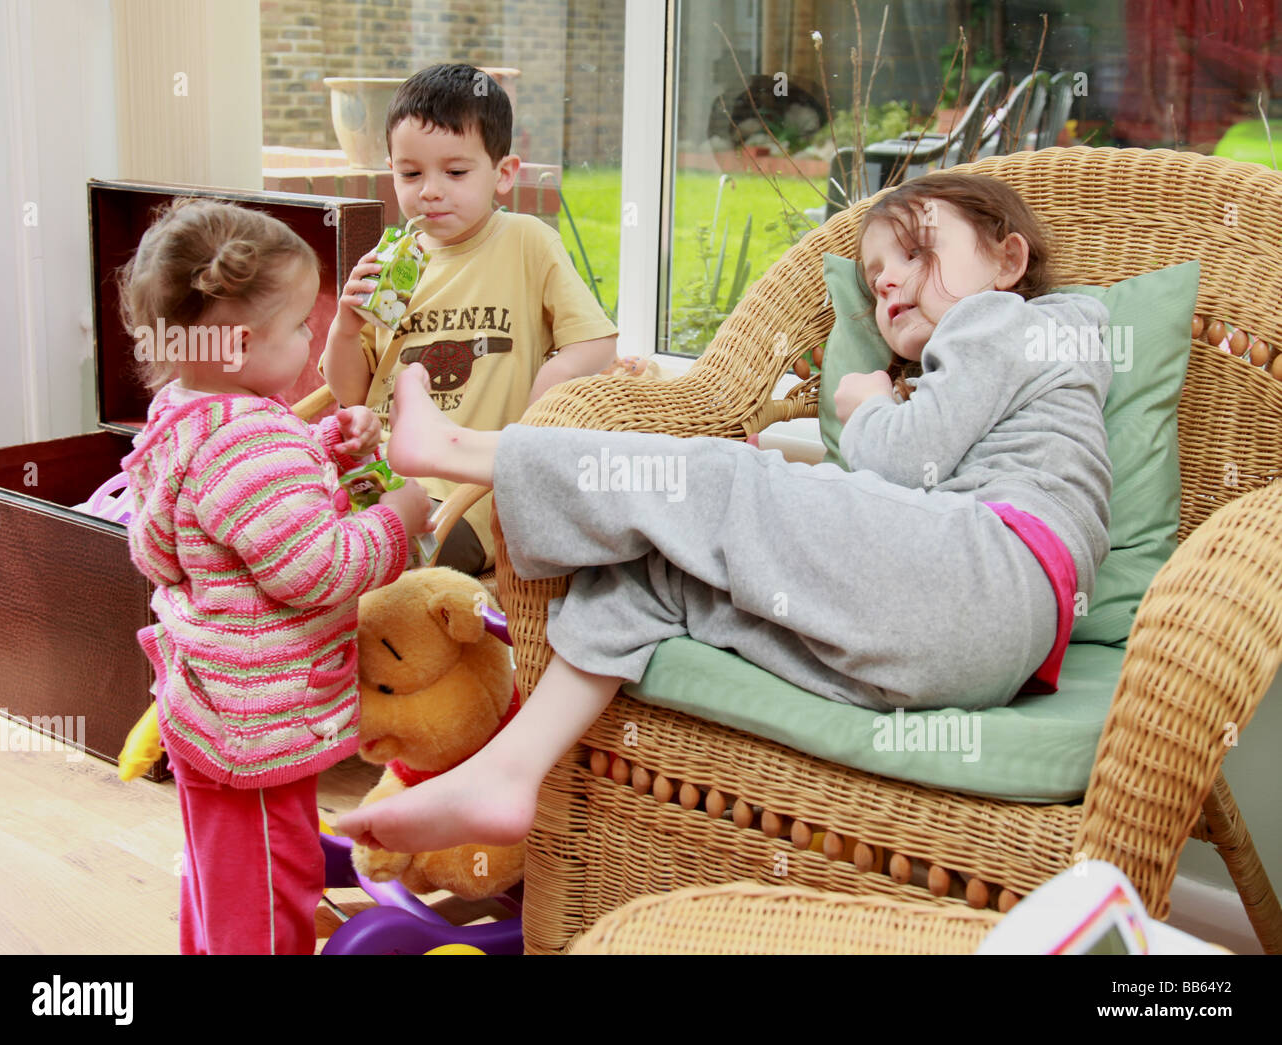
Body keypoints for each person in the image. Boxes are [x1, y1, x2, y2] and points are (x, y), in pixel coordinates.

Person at [335, 172, 1113, 857]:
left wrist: (872, 406)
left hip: (989, 574)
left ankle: (463, 449)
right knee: (656, 572)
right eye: (875, 276)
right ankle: (511, 771)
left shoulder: (1012, 322)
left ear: (1008, 262)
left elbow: (903, 461)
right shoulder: (987, 369)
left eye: (917, 252)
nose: (888, 283)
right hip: (958, 644)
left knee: (730, 478)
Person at [118, 198, 435, 954]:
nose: (307, 343)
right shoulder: (250, 442)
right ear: (237, 344)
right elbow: (316, 566)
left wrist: (323, 446)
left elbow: (214, 521)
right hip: (255, 726)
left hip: (208, 704)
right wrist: (399, 515)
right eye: (298, 328)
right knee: (268, 887)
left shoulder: (187, 412)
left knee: (220, 879)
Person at [321, 63, 619, 573]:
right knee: (295, 549)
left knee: (383, 568)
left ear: (503, 174)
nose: (430, 190)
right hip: (371, 476)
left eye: (455, 173)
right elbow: (350, 393)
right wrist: (347, 326)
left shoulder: (527, 243)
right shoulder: (394, 264)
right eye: (410, 174)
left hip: (463, 497)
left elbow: (596, 343)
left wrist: (545, 393)